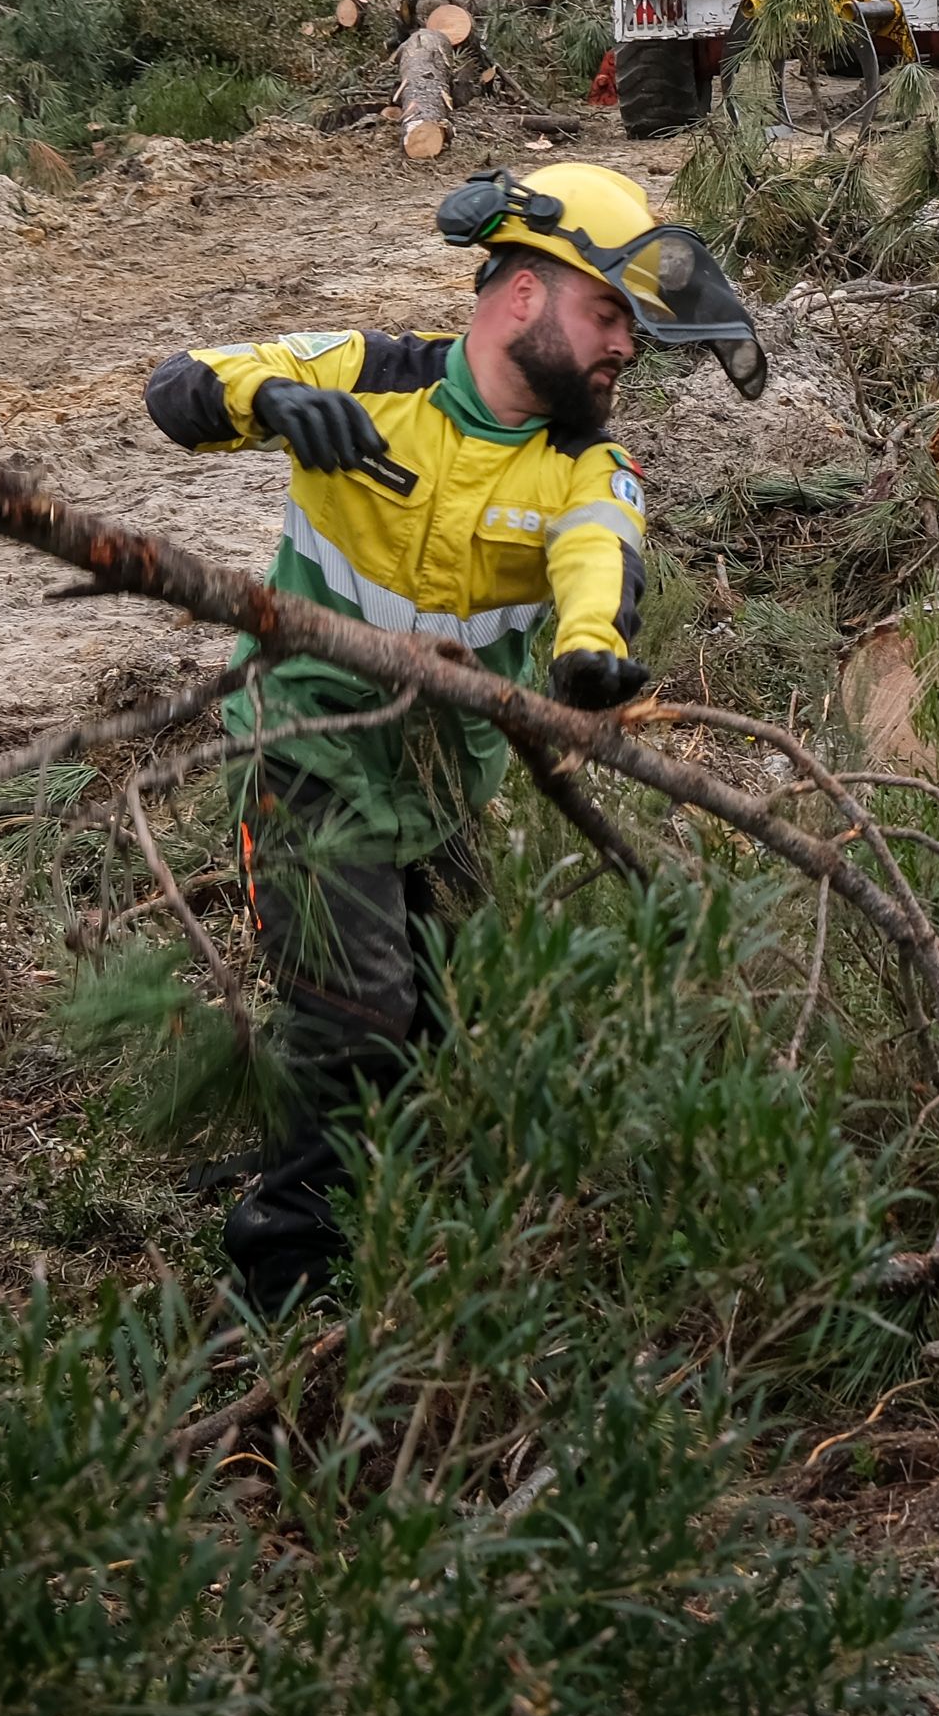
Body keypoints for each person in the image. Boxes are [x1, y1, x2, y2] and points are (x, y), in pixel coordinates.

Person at [142, 162, 764, 1309]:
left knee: (453, 1013)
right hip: (304, 740)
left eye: (632, 324)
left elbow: (598, 555)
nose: (623, 347)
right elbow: (180, 387)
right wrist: (269, 405)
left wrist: (591, 650)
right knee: (357, 1007)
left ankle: (381, 1201)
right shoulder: (370, 373)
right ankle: (288, 1268)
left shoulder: (588, 464)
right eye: (607, 314)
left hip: (444, 780)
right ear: (523, 295)